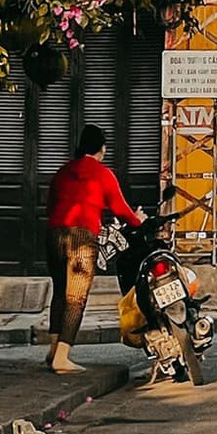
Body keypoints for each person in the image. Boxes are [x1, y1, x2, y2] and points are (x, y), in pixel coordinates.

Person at [43, 123, 144, 375]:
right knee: (75, 298)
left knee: (59, 293)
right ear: (102, 149)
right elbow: (121, 209)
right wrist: (138, 219)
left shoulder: (63, 171)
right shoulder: (102, 174)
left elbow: (51, 203)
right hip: (81, 237)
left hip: (54, 235)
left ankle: (53, 349)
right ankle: (62, 358)